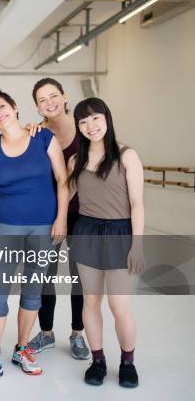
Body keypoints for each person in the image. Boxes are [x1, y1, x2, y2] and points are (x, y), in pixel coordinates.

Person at [0, 89, 68, 382]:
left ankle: (22, 348)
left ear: (15, 107)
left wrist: (60, 218)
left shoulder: (43, 138)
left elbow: (62, 179)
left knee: (32, 290)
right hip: (9, 227)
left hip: (44, 225)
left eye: (2, 106)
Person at [67, 97, 144, 388]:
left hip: (120, 233)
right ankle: (97, 360)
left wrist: (137, 244)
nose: (90, 126)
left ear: (107, 118)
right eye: (83, 122)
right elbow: (66, 193)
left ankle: (127, 361)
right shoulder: (77, 161)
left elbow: (137, 203)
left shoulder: (126, 155)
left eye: (95, 118)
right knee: (90, 301)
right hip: (86, 232)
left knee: (119, 305)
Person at [27, 77, 90, 360]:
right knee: (44, 276)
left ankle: (78, 334)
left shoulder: (85, 129)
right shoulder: (38, 134)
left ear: (65, 97)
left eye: (54, 96)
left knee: (80, 277)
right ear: (38, 107)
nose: (49, 102)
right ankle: (47, 332)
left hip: (84, 213)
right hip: (48, 213)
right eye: (42, 99)